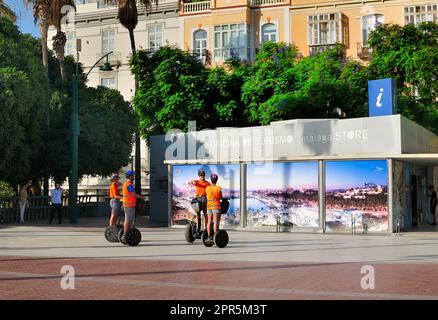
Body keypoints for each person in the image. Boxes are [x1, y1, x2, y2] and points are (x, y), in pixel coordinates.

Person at [121, 170, 143, 242]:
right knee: (128, 219)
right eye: (132, 176)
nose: (133, 177)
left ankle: (128, 232)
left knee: (130, 219)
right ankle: (125, 234)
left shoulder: (128, 184)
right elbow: (133, 194)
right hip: (128, 204)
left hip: (130, 204)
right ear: (130, 176)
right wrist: (141, 197)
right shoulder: (128, 184)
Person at [189, 170, 210, 236]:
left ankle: (206, 229)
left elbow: (209, 191)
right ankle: (198, 229)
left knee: (205, 214)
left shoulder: (208, 183)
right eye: (201, 176)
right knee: (198, 214)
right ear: (199, 176)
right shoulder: (197, 181)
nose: (202, 177)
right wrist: (191, 182)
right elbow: (191, 182)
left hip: (204, 198)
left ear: (204, 175)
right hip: (198, 198)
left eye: (203, 175)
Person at [205, 173, 222, 240]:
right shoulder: (218, 188)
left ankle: (209, 236)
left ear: (211, 180)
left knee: (209, 221)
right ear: (216, 180)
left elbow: (207, 196)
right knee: (215, 221)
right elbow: (220, 196)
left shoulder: (207, 188)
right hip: (216, 206)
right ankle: (215, 237)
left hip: (209, 207)